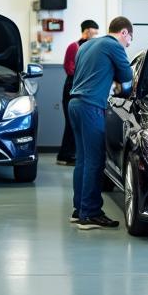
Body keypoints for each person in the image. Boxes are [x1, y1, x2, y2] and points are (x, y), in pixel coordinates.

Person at [67, 16, 134, 229]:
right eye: (129, 40)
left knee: (83, 160)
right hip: (91, 106)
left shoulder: (87, 45)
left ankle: (79, 210)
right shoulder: (113, 45)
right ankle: (90, 213)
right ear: (124, 33)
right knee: (95, 160)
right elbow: (127, 76)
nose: (127, 45)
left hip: (75, 104)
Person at [56, 19, 99, 165]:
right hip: (71, 88)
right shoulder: (73, 47)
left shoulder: (91, 47)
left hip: (82, 89)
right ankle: (64, 156)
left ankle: (71, 154)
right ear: (87, 31)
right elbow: (69, 69)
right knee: (70, 122)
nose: (96, 35)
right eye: (94, 32)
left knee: (77, 123)